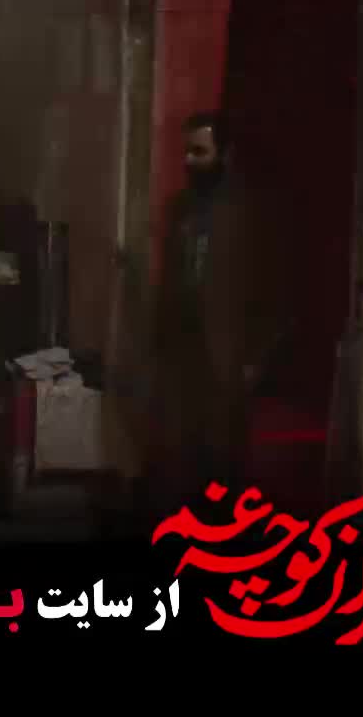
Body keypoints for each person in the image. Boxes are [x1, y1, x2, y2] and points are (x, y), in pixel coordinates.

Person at [142, 111, 283, 517]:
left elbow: (273, 289)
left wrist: (256, 359)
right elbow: (170, 280)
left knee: (221, 462)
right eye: (187, 152)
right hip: (180, 354)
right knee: (178, 461)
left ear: (225, 154)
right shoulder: (180, 209)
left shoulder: (250, 211)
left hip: (226, 356)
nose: (189, 160)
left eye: (200, 152)